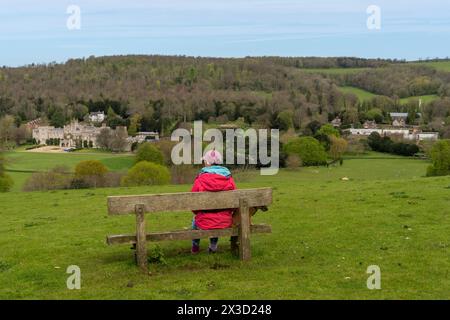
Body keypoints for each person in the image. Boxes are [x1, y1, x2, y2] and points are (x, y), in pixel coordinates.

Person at [191, 149, 236, 254]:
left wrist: (198, 213)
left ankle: (195, 247)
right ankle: (213, 246)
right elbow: (234, 203)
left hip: (203, 220)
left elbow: (193, 203)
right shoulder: (229, 179)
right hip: (225, 220)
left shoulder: (200, 179)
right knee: (217, 216)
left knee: (196, 220)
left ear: (207, 163)